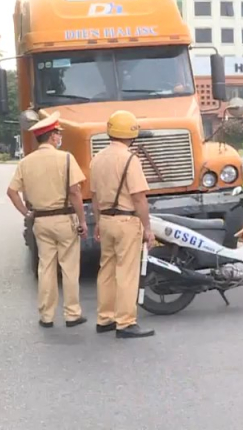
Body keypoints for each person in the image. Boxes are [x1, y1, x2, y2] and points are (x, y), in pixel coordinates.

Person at [6, 112, 89, 328]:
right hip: (64, 219)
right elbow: (75, 192)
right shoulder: (66, 159)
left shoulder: (25, 162)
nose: (60, 137)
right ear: (52, 136)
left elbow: (12, 192)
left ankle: (46, 315)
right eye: (58, 134)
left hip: (41, 221)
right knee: (69, 268)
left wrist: (26, 213)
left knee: (46, 268)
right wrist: (82, 221)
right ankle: (72, 314)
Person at [89, 110, 156, 339]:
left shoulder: (97, 158)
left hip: (106, 219)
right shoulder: (130, 159)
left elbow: (94, 196)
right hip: (127, 220)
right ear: (132, 134)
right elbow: (139, 197)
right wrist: (147, 228)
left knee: (106, 270)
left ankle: (104, 318)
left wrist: (98, 222)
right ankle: (125, 322)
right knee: (127, 272)